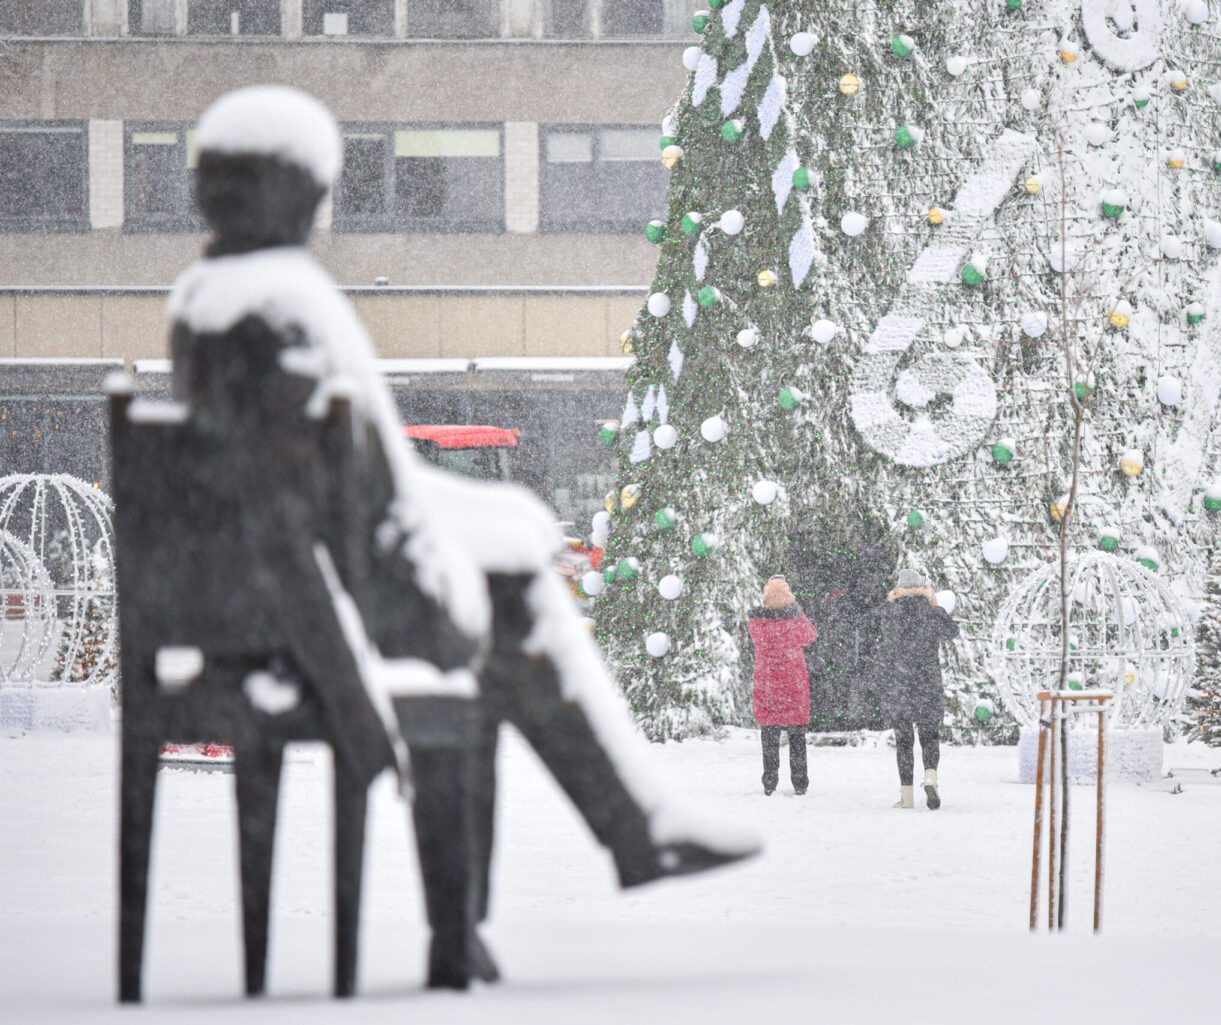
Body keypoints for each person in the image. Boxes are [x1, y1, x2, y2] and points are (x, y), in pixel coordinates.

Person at [171, 85, 758, 988]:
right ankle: (610, 840)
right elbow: (312, 507)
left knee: (510, 610)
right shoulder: (276, 311)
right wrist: (353, 666)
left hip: (310, 592)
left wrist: (493, 519)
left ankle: (592, 853)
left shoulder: (216, 302)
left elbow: (348, 478)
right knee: (504, 633)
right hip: (314, 615)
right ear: (293, 194)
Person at [873, 568, 959, 810]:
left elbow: (883, 638)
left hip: (899, 683)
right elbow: (952, 632)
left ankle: (907, 796)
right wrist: (936, 609)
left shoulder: (889, 612)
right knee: (929, 736)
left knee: (904, 741)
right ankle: (930, 777)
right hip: (927, 682)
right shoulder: (931, 612)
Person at [748, 576, 817, 795]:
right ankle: (800, 783)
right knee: (797, 738)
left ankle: (769, 782)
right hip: (793, 687)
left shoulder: (756, 624)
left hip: (767, 686)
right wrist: (798, 612)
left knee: (769, 737)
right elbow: (810, 635)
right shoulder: (795, 622)